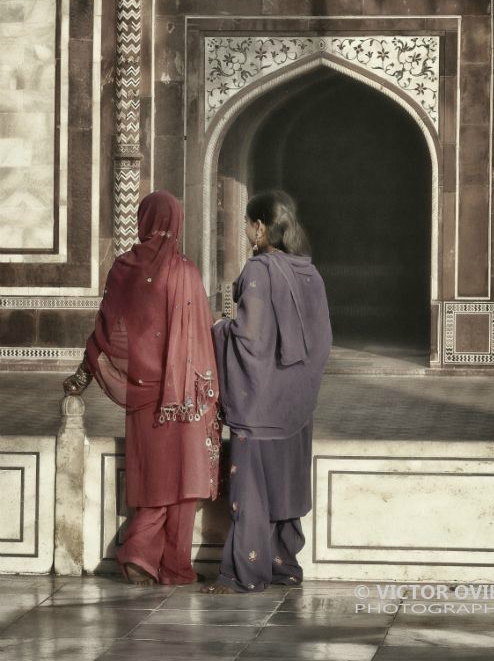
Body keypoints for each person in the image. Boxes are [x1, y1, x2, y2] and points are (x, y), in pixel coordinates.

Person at [63, 190, 222, 586]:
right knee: (182, 482)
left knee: (155, 477)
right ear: (178, 222)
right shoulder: (185, 272)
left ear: (144, 220)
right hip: (183, 397)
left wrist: (83, 377)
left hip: (143, 393)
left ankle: (145, 556)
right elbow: (203, 336)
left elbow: (106, 333)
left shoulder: (122, 268)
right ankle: (161, 561)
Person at [202, 190, 332, 594]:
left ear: (259, 227)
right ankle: (282, 565)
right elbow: (323, 339)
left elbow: (249, 336)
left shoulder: (259, 270)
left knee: (253, 488)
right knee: (283, 483)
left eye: (247, 223)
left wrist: (220, 326)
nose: (245, 230)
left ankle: (245, 573)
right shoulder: (310, 272)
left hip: (259, 404)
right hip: (296, 403)